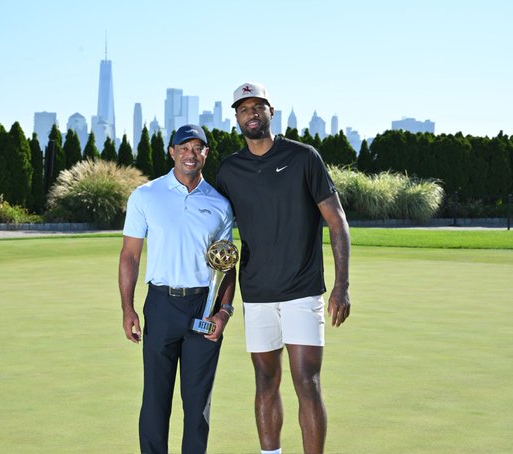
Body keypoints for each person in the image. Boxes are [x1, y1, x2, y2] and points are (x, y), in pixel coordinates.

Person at [216, 82, 351, 454]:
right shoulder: (229, 170)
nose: (252, 113)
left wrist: (342, 285)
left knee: (307, 381)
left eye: (258, 106)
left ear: (271, 112)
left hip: (302, 291)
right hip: (256, 293)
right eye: (244, 109)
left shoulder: (304, 157)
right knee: (264, 381)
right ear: (237, 118)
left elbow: (337, 221)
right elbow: (218, 232)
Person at [119, 124, 236, 454]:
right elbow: (130, 255)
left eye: (198, 148)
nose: (191, 154)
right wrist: (128, 308)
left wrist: (224, 313)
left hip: (203, 307)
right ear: (171, 151)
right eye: (184, 147)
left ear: (206, 154)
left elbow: (227, 264)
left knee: (197, 406)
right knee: (155, 401)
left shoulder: (219, 204)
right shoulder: (146, 195)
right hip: (160, 305)